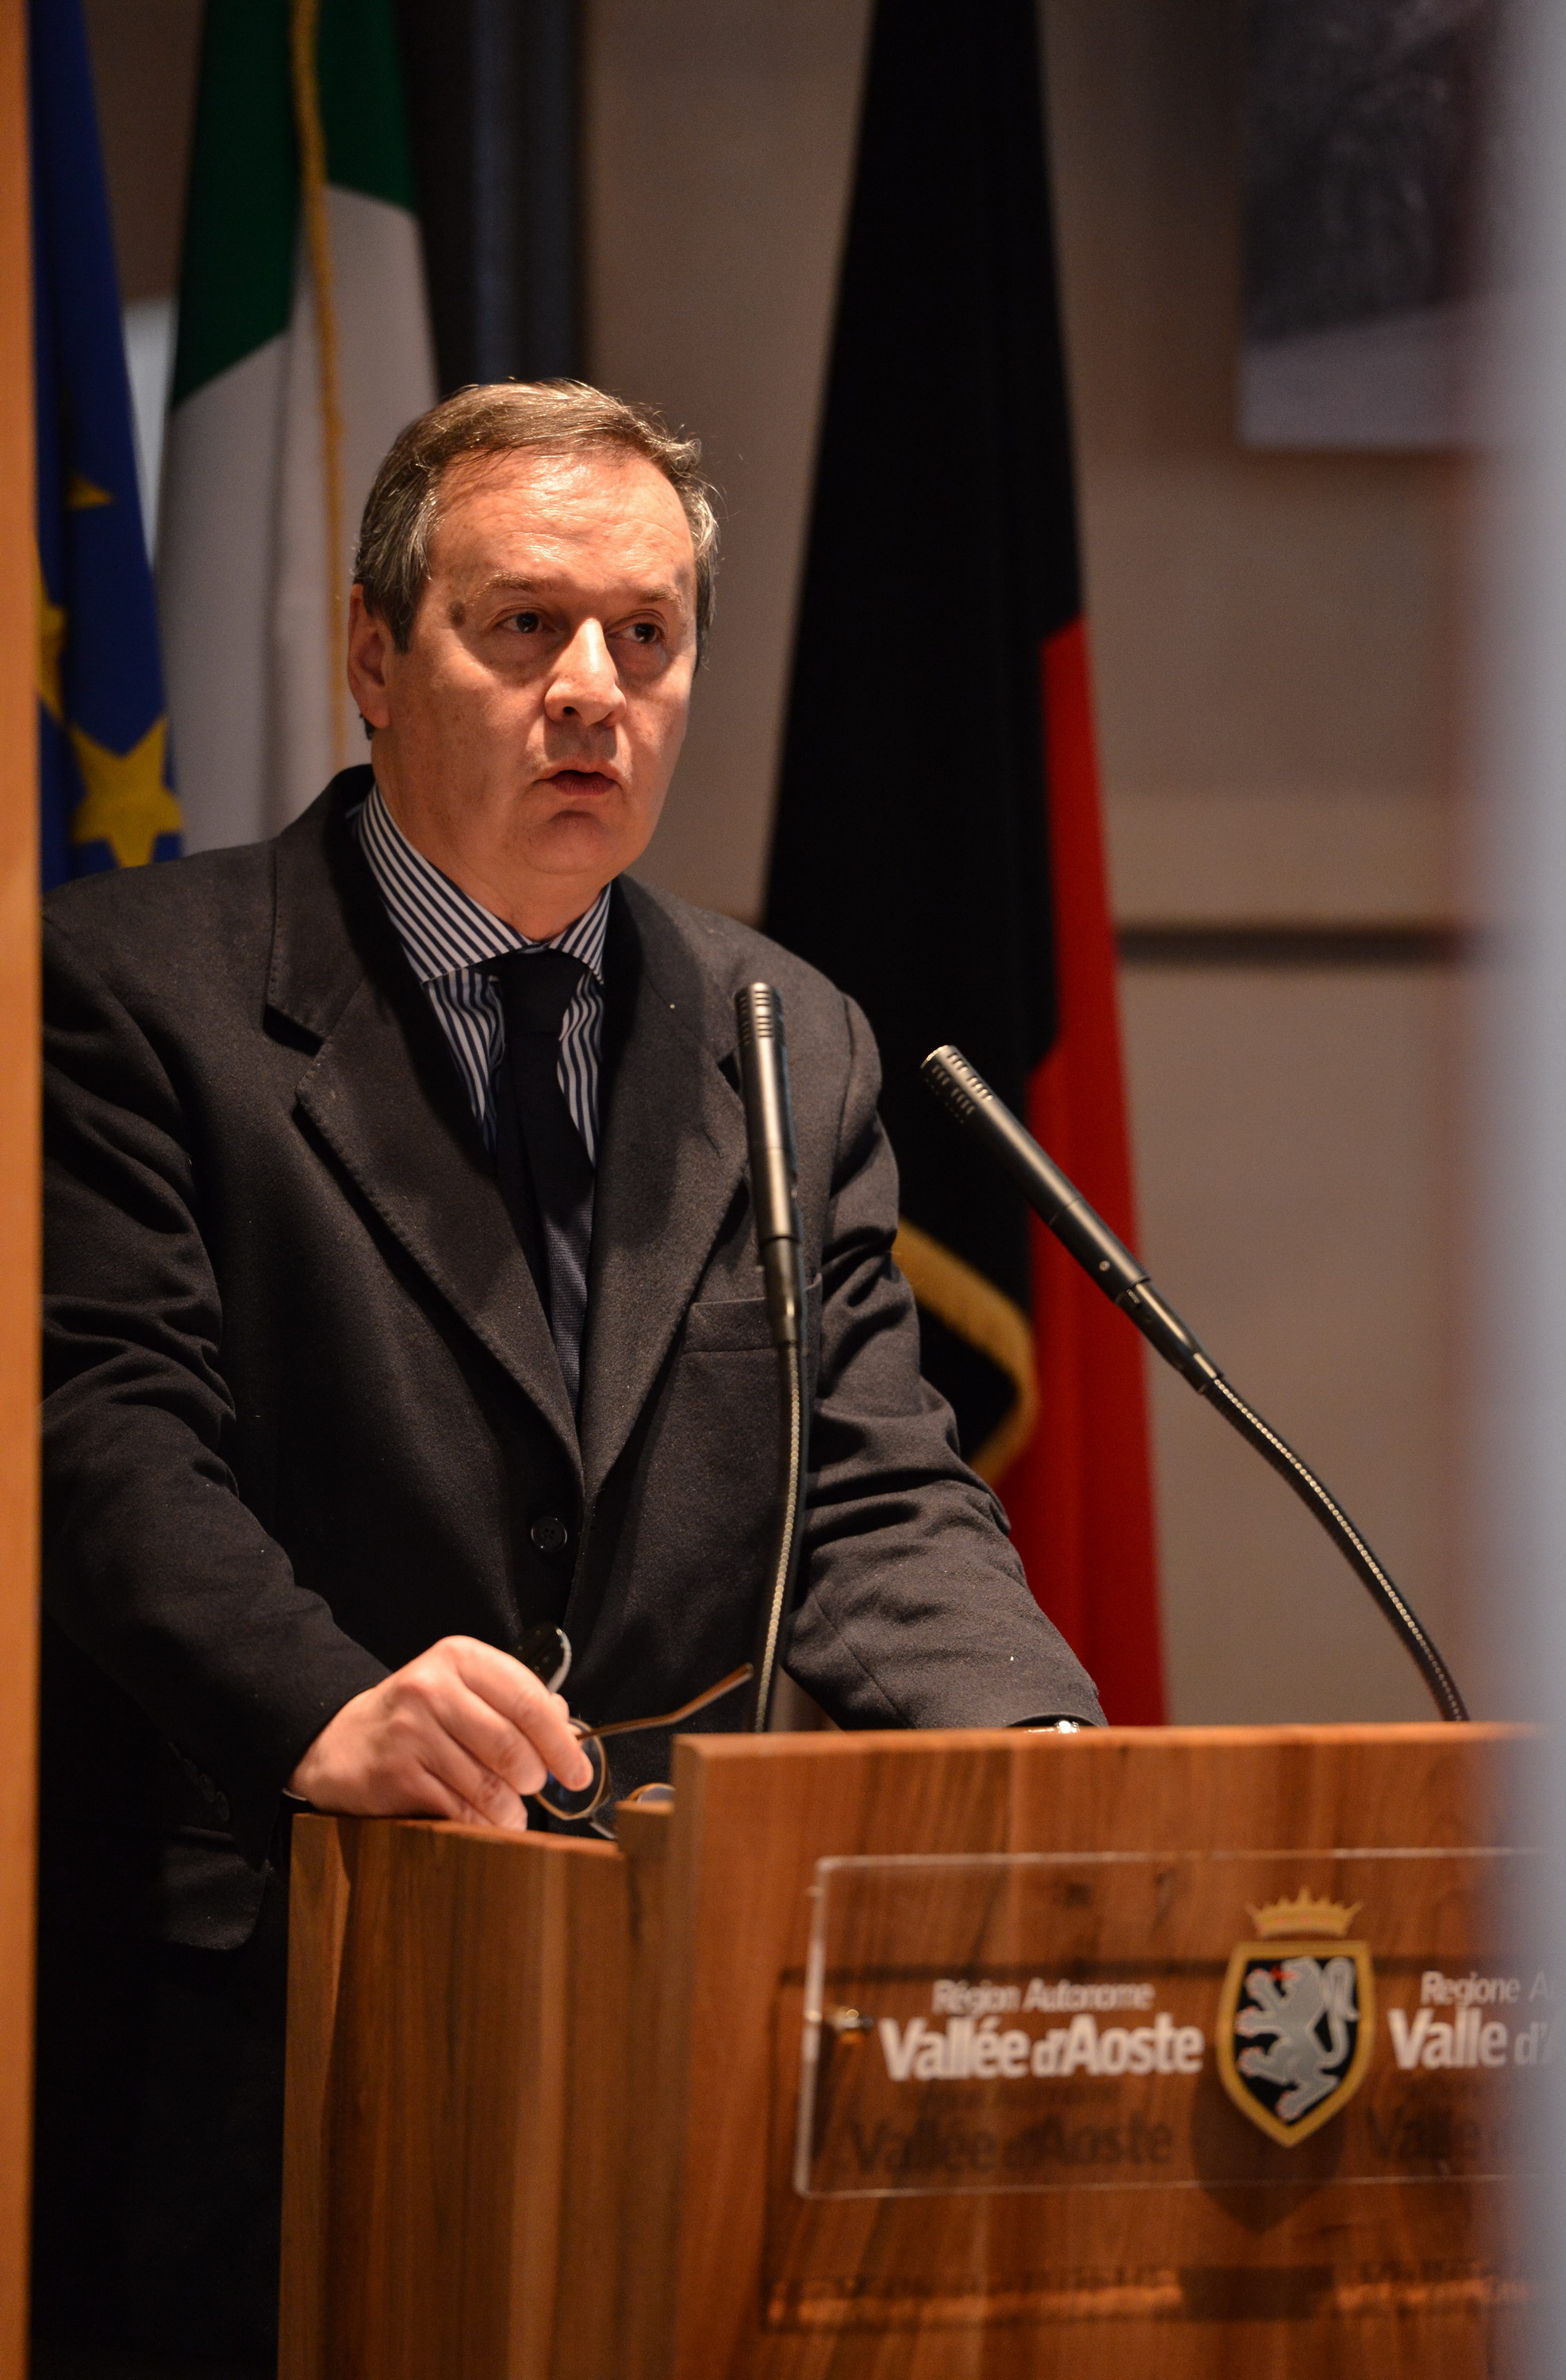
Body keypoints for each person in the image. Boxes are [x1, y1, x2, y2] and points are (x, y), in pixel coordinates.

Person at [36, 381, 1103, 2376]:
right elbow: (104, 1441)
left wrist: (1029, 1749)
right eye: (524, 626)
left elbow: (871, 1478)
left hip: (668, 2014)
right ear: (376, 659)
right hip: (267, 2009)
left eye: (647, 635)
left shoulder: (788, 1033)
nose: (594, 690)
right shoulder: (128, 995)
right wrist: (328, 1703)